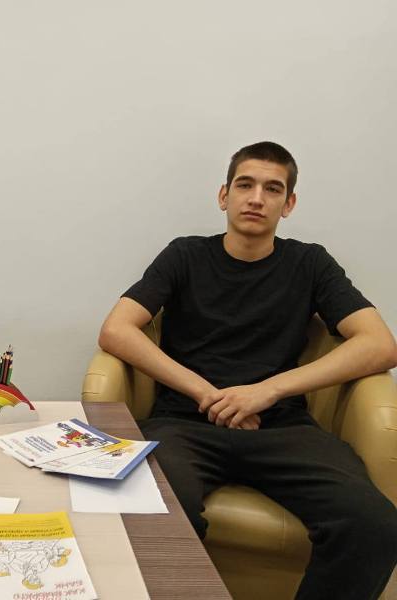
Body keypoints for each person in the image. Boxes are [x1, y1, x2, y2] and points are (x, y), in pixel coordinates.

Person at [98, 141, 397, 600]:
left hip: (281, 427)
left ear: (288, 204)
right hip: (184, 424)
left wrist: (267, 391)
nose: (257, 198)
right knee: (152, 503)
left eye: (272, 189)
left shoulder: (310, 263)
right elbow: (117, 330)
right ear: (224, 196)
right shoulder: (184, 255)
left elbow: (379, 344)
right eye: (245, 185)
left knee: (375, 523)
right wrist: (206, 393)